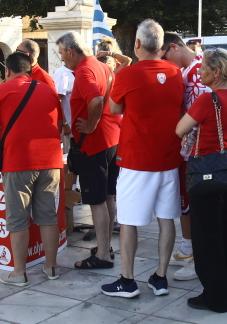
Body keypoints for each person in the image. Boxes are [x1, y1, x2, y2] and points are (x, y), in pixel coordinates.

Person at [102, 19, 184, 298]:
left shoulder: (127, 75)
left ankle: (127, 281)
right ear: (161, 45)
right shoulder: (175, 72)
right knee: (166, 218)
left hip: (137, 159)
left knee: (128, 221)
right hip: (169, 157)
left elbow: (114, 108)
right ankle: (161, 277)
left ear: (137, 44)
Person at [175, 47, 227, 311]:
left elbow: (179, 129)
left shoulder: (208, 100)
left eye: (204, 67)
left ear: (216, 72)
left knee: (207, 237)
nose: (200, 71)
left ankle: (215, 296)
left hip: (206, 175)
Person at [0, 52, 66, 285]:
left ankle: (19, 272)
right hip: (50, 160)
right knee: (48, 216)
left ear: (7, 70)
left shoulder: (1, 91)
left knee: (18, 217)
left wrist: (4, 136)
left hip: (18, 160)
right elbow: (60, 125)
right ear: (30, 68)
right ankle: (51, 267)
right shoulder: (49, 90)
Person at [60, 31, 122, 270]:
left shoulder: (85, 70)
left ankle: (103, 255)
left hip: (95, 143)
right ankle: (105, 247)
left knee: (97, 200)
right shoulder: (102, 66)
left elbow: (96, 100)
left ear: (71, 51)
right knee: (108, 196)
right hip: (112, 138)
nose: (61, 59)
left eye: (61, 53)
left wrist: (91, 125)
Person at [160, 31, 209, 281]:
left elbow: (197, 116)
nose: (163, 62)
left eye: (163, 56)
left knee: (196, 206)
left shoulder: (196, 71)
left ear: (173, 47)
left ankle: (197, 254)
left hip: (199, 151)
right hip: (196, 149)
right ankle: (190, 249)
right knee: (190, 204)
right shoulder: (194, 67)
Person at [53, 60, 75, 154]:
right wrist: (64, 124)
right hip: (69, 126)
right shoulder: (62, 73)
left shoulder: (80, 71)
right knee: (69, 157)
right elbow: (58, 99)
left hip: (79, 126)